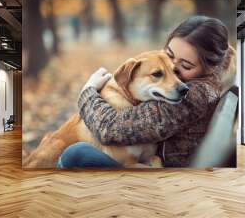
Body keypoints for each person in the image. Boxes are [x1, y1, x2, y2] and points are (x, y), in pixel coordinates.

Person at [59, 15, 234, 168]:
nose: (173, 67)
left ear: (210, 68)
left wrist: (87, 91)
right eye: (169, 55)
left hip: (164, 178)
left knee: (76, 154)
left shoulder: (192, 96)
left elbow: (109, 130)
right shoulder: (202, 83)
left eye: (186, 65)